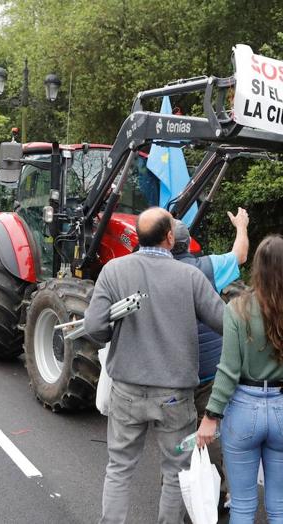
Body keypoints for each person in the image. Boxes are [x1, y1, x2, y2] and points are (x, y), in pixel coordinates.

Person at [84, 207, 225, 524]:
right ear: (170, 237)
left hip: (127, 391)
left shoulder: (114, 271)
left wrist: (113, 329)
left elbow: (93, 328)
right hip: (175, 395)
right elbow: (227, 324)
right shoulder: (190, 276)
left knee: (119, 467)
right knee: (176, 469)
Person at [197, 235, 283, 524]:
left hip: (243, 409)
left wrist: (211, 415)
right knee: (279, 507)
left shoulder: (237, 310)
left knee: (242, 506)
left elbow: (228, 369)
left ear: (257, 269)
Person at [170, 208, 249, 509]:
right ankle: (215, 494)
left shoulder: (155, 273)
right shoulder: (209, 266)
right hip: (210, 368)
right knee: (209, 430)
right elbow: (240, 254)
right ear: (189, 244)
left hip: (175, 372)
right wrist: (241, 226)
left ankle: (179, 491)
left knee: (177, 434)